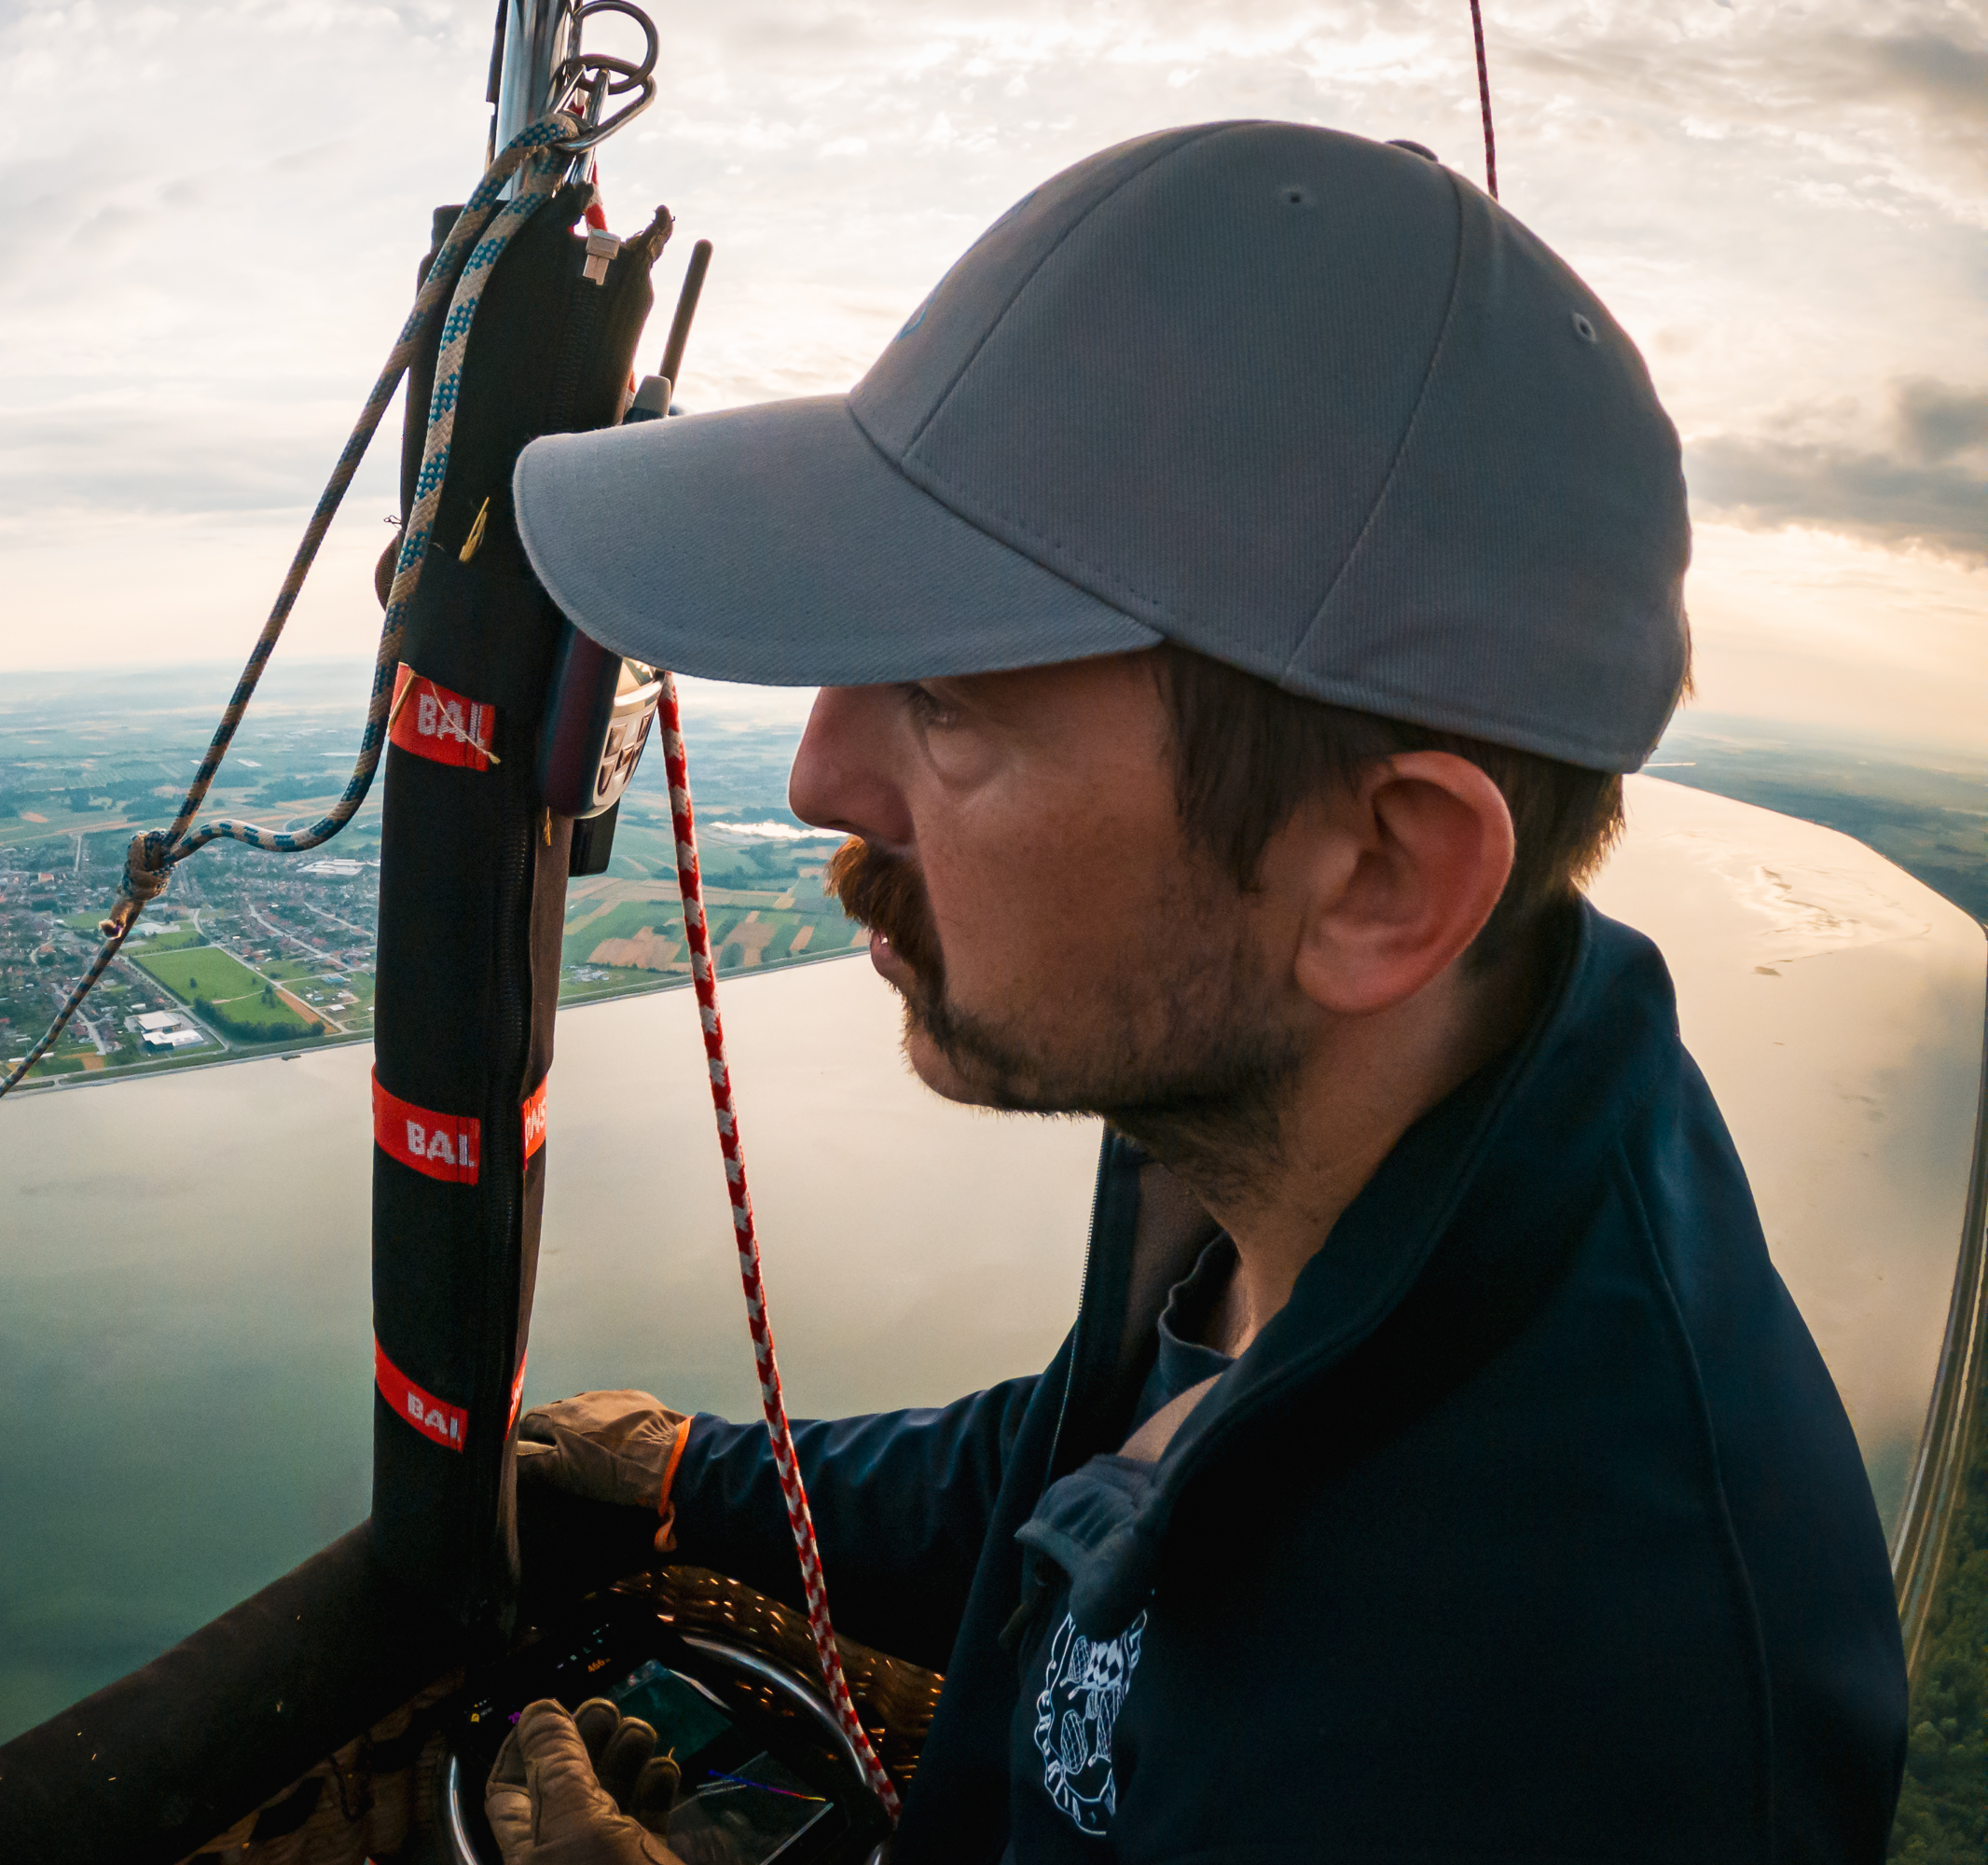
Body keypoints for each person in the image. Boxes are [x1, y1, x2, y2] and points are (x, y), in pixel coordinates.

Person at [486, 120, 1907, 1863]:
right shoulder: (1347, 1117)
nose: (820, 778)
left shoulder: (1553, 1746)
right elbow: (1092, 1464)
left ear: (1381, 877)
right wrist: (700, 1477)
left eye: (947, 698)